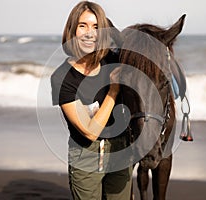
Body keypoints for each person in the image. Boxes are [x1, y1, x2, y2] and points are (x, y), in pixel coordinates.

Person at [50, 1, 132, 199]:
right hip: (85, 156)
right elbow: (90, 132)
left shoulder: (114, 61)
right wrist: (114, 90)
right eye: (82, 25)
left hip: (121, 150)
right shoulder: (62, 78)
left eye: (96, 27)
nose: (90, 33)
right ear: (72, 31)